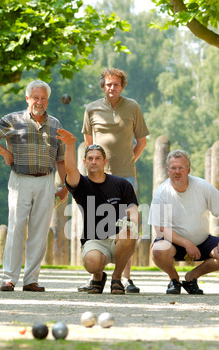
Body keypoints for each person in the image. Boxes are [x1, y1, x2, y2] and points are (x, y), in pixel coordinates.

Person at [0, 80, 67, 292]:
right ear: (27, 98)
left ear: (47, 100)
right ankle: (9, 278)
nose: (39, 101)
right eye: (35, 97)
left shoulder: (55, 124)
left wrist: (65, 186)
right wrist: (5, 152)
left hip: (47, 180)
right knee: (16, 227)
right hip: (20, 179)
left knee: (39, 230)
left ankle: (31, 280)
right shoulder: (13, 119)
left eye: (43, 98)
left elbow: (61, 159)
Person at [81, 68, 149, 293]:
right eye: (109, 84)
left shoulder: (133, 107)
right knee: (96, 223)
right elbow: (89, 143)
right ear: (103, 86)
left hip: (126, 176)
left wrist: (129, 161)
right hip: (97, 178)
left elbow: (141, 141)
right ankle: (97, 275)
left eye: (116, 84)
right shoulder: (91, 109)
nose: (112, 88)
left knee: (127, 227)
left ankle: (125, 278)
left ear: (122, 86)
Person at [56, 129, 139, 295]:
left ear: (104, 161)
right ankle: (98, 277)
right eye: (90, 159)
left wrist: (131, 224)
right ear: (85, 162)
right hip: (94, 240)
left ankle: (117, 278)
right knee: (93, 263)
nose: (94, 161)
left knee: (130, 233)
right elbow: (71, 170)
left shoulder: (122, 184)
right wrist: (70, 145)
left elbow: (134, 211)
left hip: (118, 240)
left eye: (97, 158)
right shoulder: (81, 185)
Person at [148, 150, 219, 295]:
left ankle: (191, 278)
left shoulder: (202, 186)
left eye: (181, 168)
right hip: (172, 243)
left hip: (202, 241)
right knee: (158, 250)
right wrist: (186, 243)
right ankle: (174, 280)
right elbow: (160, 229)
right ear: (167, 170)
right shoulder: (161, 193)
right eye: (173, 168)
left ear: (188, 169)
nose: (177, 172)